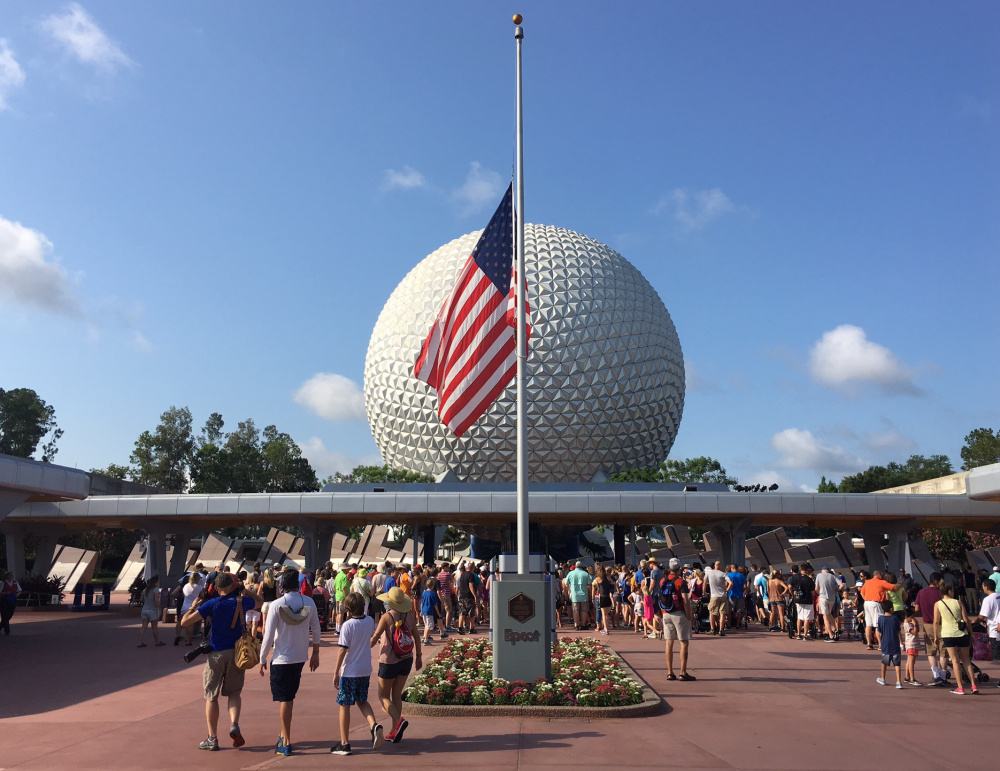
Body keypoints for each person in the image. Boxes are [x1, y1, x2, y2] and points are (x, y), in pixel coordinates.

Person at [182, 572, 262, 751]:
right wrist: (245, 591)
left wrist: (192, 607)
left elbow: (184, 623)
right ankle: (234, 724)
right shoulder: (242, 602)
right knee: (234, 692)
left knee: (211, 695)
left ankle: (213, 737)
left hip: (216, 653)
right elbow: (260, 602)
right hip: (237, 653)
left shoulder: (212, 604)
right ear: (233, 586)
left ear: (217, 588)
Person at [259, 569, 321, 757]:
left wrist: (262, 659)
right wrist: (316, 653)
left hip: (281, 658)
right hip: (300, 657)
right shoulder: (308, 602)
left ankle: (285, 740)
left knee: (285, 698)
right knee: (289, 697)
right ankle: (283, 732)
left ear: (282, 585)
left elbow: (268, 635)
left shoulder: (277, 605)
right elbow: (316, 629)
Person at [331, 592, 383, 756]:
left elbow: (342, 649)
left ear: (349, 608)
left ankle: (344, 742)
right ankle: (374, 725)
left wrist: (336, 671)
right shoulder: (368, 621)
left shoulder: (348, 625)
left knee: (344, 704)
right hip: (365, 668)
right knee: (362, 700)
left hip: (350, 669)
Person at [371, 586, 422, 743]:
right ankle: (394, 731)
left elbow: (375, 637)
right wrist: (419, 656)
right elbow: (417, 637)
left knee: (383, 696)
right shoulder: (409, 615)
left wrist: (362, 648)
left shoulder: (386, 617)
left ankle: (398, 722)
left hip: (389, 660)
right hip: (406, 658)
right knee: (396, 695)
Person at [934, 583, 979, 695]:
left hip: (948, 634)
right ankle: (973, 685)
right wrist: (971, 634)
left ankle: (960, 687)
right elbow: (966, 619)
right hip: (962, 633)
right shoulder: (958, 602)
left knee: (955, 661)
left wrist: (936, 636)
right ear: (949, 591)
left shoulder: (938, 604)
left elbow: (936, 621)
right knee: (966, 660)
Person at [661, 558, 696, 681]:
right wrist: (688, 615)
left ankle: (670, 672)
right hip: (679, 613)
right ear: (679, 568)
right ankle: (683, 672)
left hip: (666, 612)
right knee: (683, 642)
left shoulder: (663, 581)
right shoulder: (681, 582)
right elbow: (685, 600)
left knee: (669, 642)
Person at [914, 572, 947, 686]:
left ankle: (936, 676)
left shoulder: (921, 592)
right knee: (944, 652)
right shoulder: (941, 593)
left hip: (928, 624)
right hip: (943, 624)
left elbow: (917, 608)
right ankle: (943, 676)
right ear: (937, 582)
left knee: (931, 652)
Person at [860, 570, 902, 650]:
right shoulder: (882, 582)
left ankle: (869, 644)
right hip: (876, 603)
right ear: (879, 575)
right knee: (877, 624)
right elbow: (894, 588)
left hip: (867, 603)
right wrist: (900, 585)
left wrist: (866, 599)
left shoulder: (867, 582)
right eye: (882, 575)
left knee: (868, 624)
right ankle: (880, 644)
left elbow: (862, 592)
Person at [972, 578, 1000, 677]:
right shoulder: (998, 596)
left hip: (995, 631)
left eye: (983, 586)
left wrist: (973, 622)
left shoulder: (988, 599)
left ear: (986, 587)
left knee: (997, 656)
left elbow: (982, 616)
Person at [876, 600, 904, 689]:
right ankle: (898, 681)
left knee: (884, 661)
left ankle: (883, 678)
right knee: (897, 663)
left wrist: (880, 642)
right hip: (895, 643)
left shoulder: (880, 619)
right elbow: (899, 631)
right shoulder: (895, 618)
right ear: (891, 608)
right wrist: (901, 642)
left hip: (885, 644)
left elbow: (879, 632)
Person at [565, 561, 594, 631]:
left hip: (575, 594)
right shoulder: (585, 574)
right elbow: (590, 585)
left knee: (575, 610)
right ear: (581, 566)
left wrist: (569, 591)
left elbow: (566, 583)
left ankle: (576, 624)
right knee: (584, 610)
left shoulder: (570, 573)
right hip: (584, 594)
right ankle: (583, 624)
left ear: (575, 566)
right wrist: (590, 593)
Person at [137, 574, 165, 647]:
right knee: (154, 627)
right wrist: (159, 608)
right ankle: (156, 641)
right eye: (158, 582)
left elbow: (141, 599)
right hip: (152, 609)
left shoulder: (145, 590)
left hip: (145, 609)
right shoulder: (155, 590)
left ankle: (140, 642)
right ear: (155, 583)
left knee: (144, 626)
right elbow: (157, 600)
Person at [815, 567, 840, 642]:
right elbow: (842, 585)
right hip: (832, 598)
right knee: (829, 614)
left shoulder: (819, 575)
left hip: (823, 597)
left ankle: (830, 635)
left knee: (825, 617)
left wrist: (819, 594)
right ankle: (835, 629)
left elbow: (816, 588)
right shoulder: (832, 576)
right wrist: (835, 591)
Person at [457, 562, 479, 634]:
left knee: (462, 612)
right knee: (471, 613)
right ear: (473, 568)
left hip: (462, 595)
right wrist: (475, 596)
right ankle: (471, 628)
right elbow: (471, 586)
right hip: (469, 596)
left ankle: (460, 628)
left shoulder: (462, 574)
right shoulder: (471, 575)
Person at [902, 607, 922, 686]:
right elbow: (914, 632)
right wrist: (915, 624)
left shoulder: (910, 623)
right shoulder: (907, 624)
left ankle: (907, 676)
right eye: (912, 617)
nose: (913, 619)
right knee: (911, 661)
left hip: (914, 643)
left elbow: (917, 631)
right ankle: (912, 678)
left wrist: (916, 624)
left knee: (909, 661)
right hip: (911, 643)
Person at [726, 564, 746, 630]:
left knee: (729, 610)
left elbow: (726, 584)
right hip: (739, 595)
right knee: (739, 610)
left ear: (732, 568)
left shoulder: (729, 575)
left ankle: (729, 624)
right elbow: (745, 586)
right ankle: (738, 624)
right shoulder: (742, 576)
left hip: (731, 594)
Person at [1, 571, 22, 635]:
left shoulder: (15, 582)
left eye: (12, 575)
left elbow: (20, 590)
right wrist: (5, 593)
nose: (11, 577)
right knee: (5, 616)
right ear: (7, 576)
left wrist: (17, 594)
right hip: (5, 601)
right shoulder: (3, 583)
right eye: (10, 575)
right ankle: (7, 631)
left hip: (13, 600)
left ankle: (1, 627)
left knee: (9, 615)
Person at [333, 565, 351, 634]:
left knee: (338, 613)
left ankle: (337, 629)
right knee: (341, 614)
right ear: (345, 569)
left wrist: (337, 593)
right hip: (343, 597)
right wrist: (346, 597)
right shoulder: (344, 576)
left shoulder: (338, 575)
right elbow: (344, 588)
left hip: (338, 596)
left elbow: (334, 587)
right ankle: (339, 630)